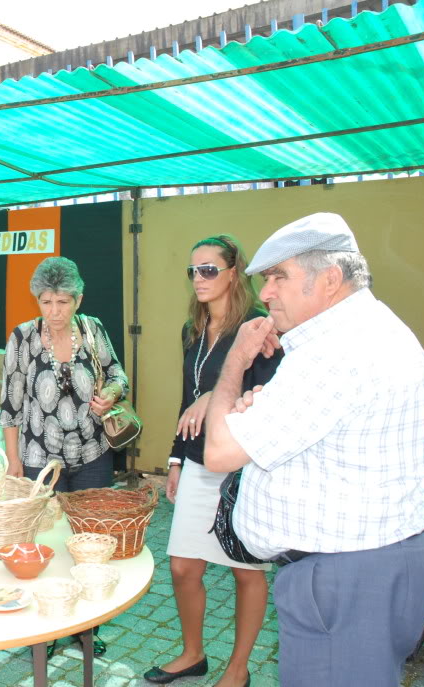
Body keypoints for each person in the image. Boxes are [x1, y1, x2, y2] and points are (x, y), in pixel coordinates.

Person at [203, 213, 424, 687]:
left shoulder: (335, 351)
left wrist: (236, 362)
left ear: (330, 279)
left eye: (278, 277)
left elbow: (219, 451)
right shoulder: (372, 329)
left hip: (344, 582)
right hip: (372, 567)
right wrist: (255, 417)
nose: (266, 294)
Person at [145, 236, 280, 687]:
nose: (199, 278)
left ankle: (237, 671)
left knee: (247, 571)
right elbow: (187, 401)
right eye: (193, 271)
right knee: (183, 566)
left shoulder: (259, 326)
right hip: (200, 460)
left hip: (244, 464)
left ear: (232, 273)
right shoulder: (193, 329)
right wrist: (176, 459)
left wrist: (210, 397)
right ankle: (193, 654)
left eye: (208, 269)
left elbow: (272, 399)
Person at [0, 256, 130, 490]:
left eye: (63, 302)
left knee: (91, 526)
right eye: (46, 302)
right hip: (39, 462)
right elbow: (10, 407)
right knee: (48, 526)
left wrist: (111, 392)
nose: (55, 312)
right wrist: (13, 459)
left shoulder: (92, 329)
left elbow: (118, 375)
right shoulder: (23, 338)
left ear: (78, 300)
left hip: (93, 456)